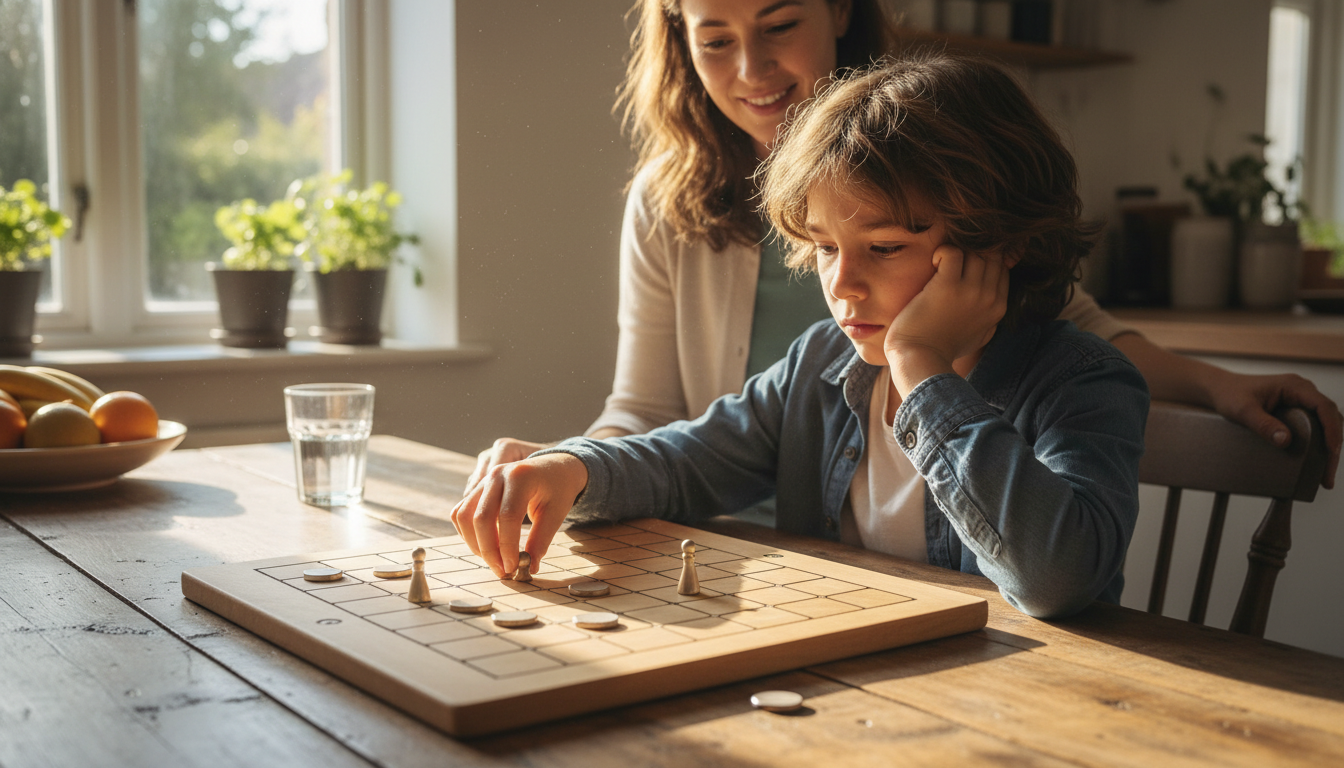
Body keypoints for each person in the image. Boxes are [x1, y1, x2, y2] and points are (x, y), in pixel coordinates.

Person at [466, 0, 1341, 492]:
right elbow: (658, 419)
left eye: (778, 27)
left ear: (838, 9)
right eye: (715, 42)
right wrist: (573, 466)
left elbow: (1059, 324)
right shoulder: (672, 202)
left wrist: (1215, 383)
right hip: (742, 539)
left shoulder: (920, 158)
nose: (750, 73)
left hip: (912, 534)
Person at [453, 53, 1150, 618]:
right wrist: (572, 470)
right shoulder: (822, 361)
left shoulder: (1081, 381)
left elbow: (1055, 579)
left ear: (1000, 244)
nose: (842, 286)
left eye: (881, 249)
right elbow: (685, 463)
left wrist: (921, 365)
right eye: (824, 248)